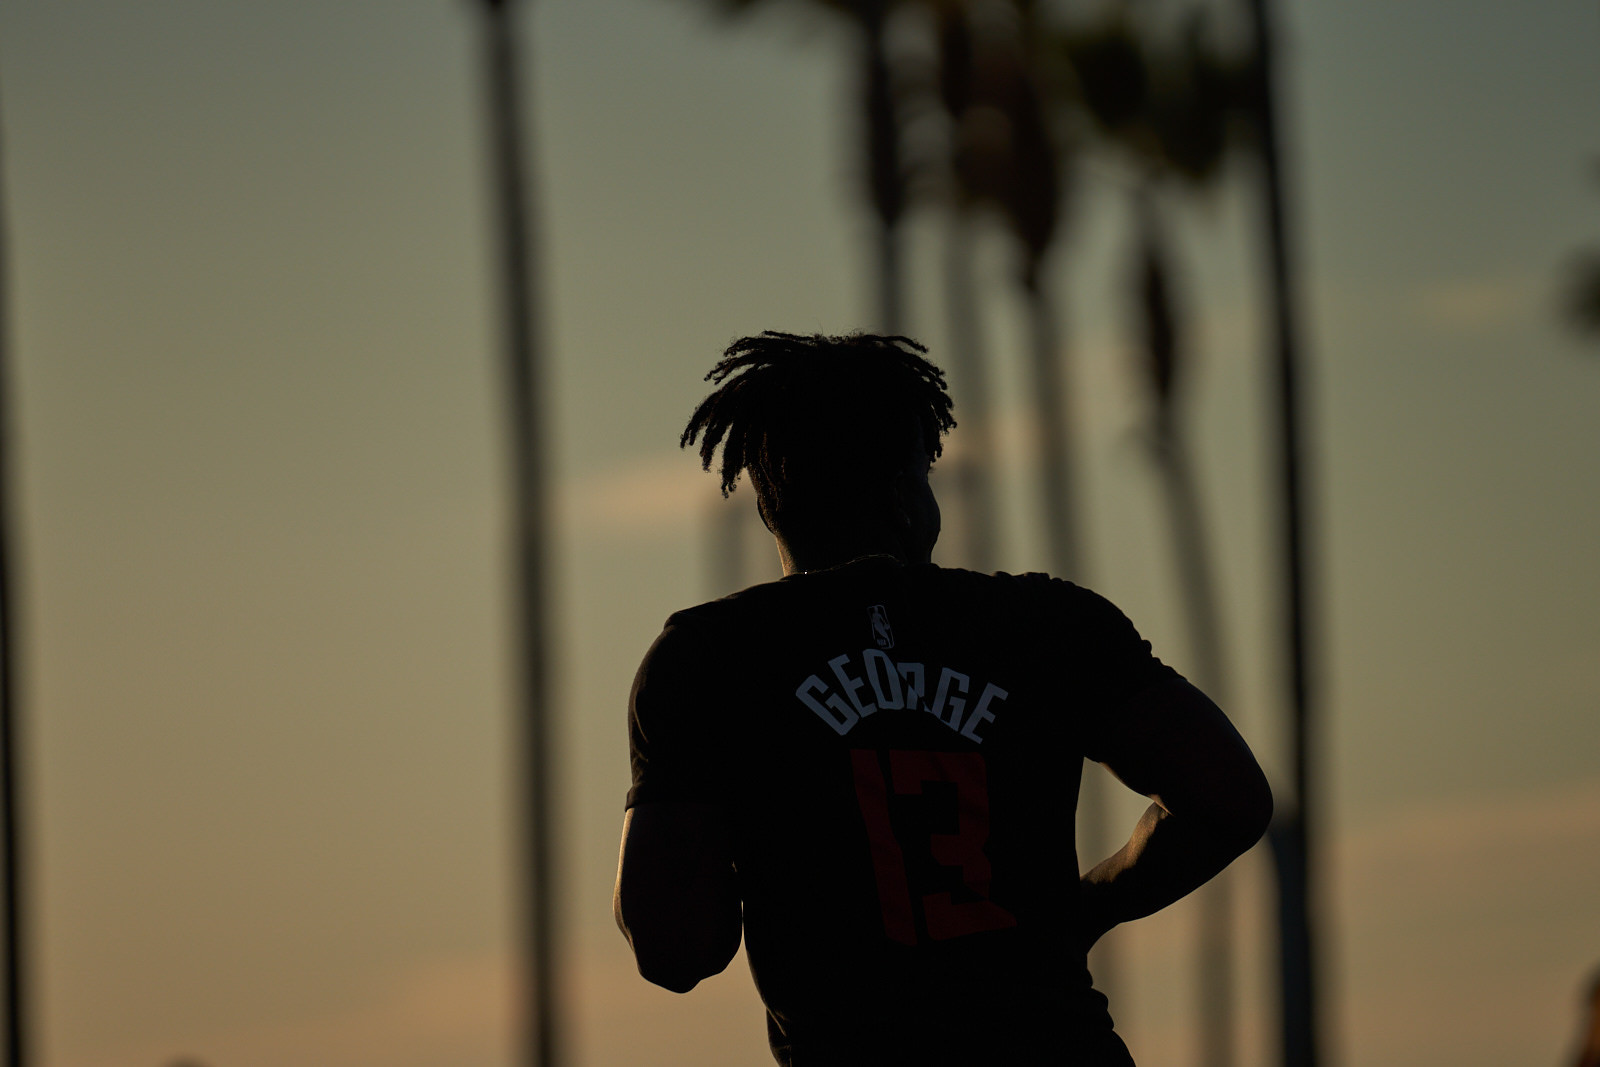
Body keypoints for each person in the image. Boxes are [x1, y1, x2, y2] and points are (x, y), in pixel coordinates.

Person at [613, 331, 1272, 1065]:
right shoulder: (1049, 623)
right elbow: (1230, 798)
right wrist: (1086, 908)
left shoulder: (707, 658)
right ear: (903, 490)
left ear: (769, 503)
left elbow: (675, 948)